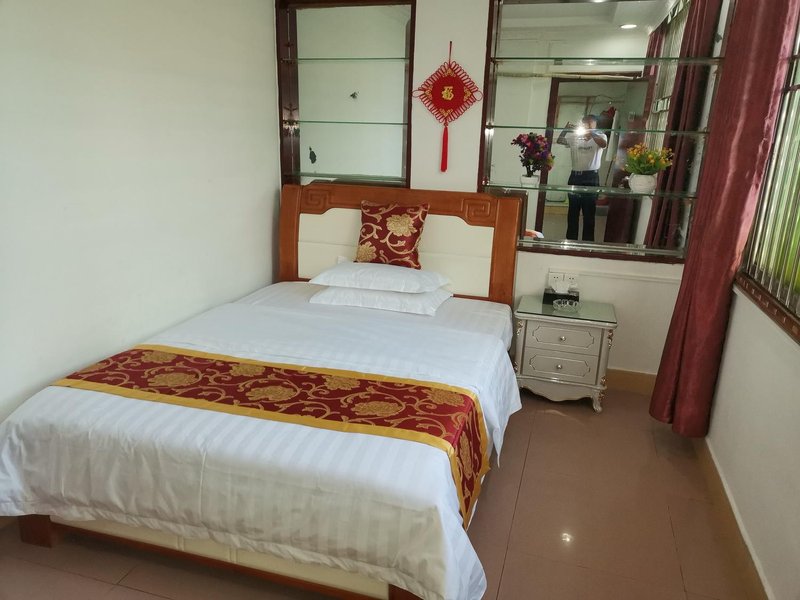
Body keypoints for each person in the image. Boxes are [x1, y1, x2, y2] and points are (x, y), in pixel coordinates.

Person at [556, 114, 608, 241]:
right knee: (573, 212)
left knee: (589, 213)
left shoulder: (601, 136)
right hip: (575, 176)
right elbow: (559, 140)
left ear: (595, 124)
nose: (588, 125)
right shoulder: (575, 136)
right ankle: (571, 241)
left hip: (591, 177)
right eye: (586, 123)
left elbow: (603, 144)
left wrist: (591, 133)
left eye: (591, 123)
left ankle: (587, 243)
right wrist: (566, 129)